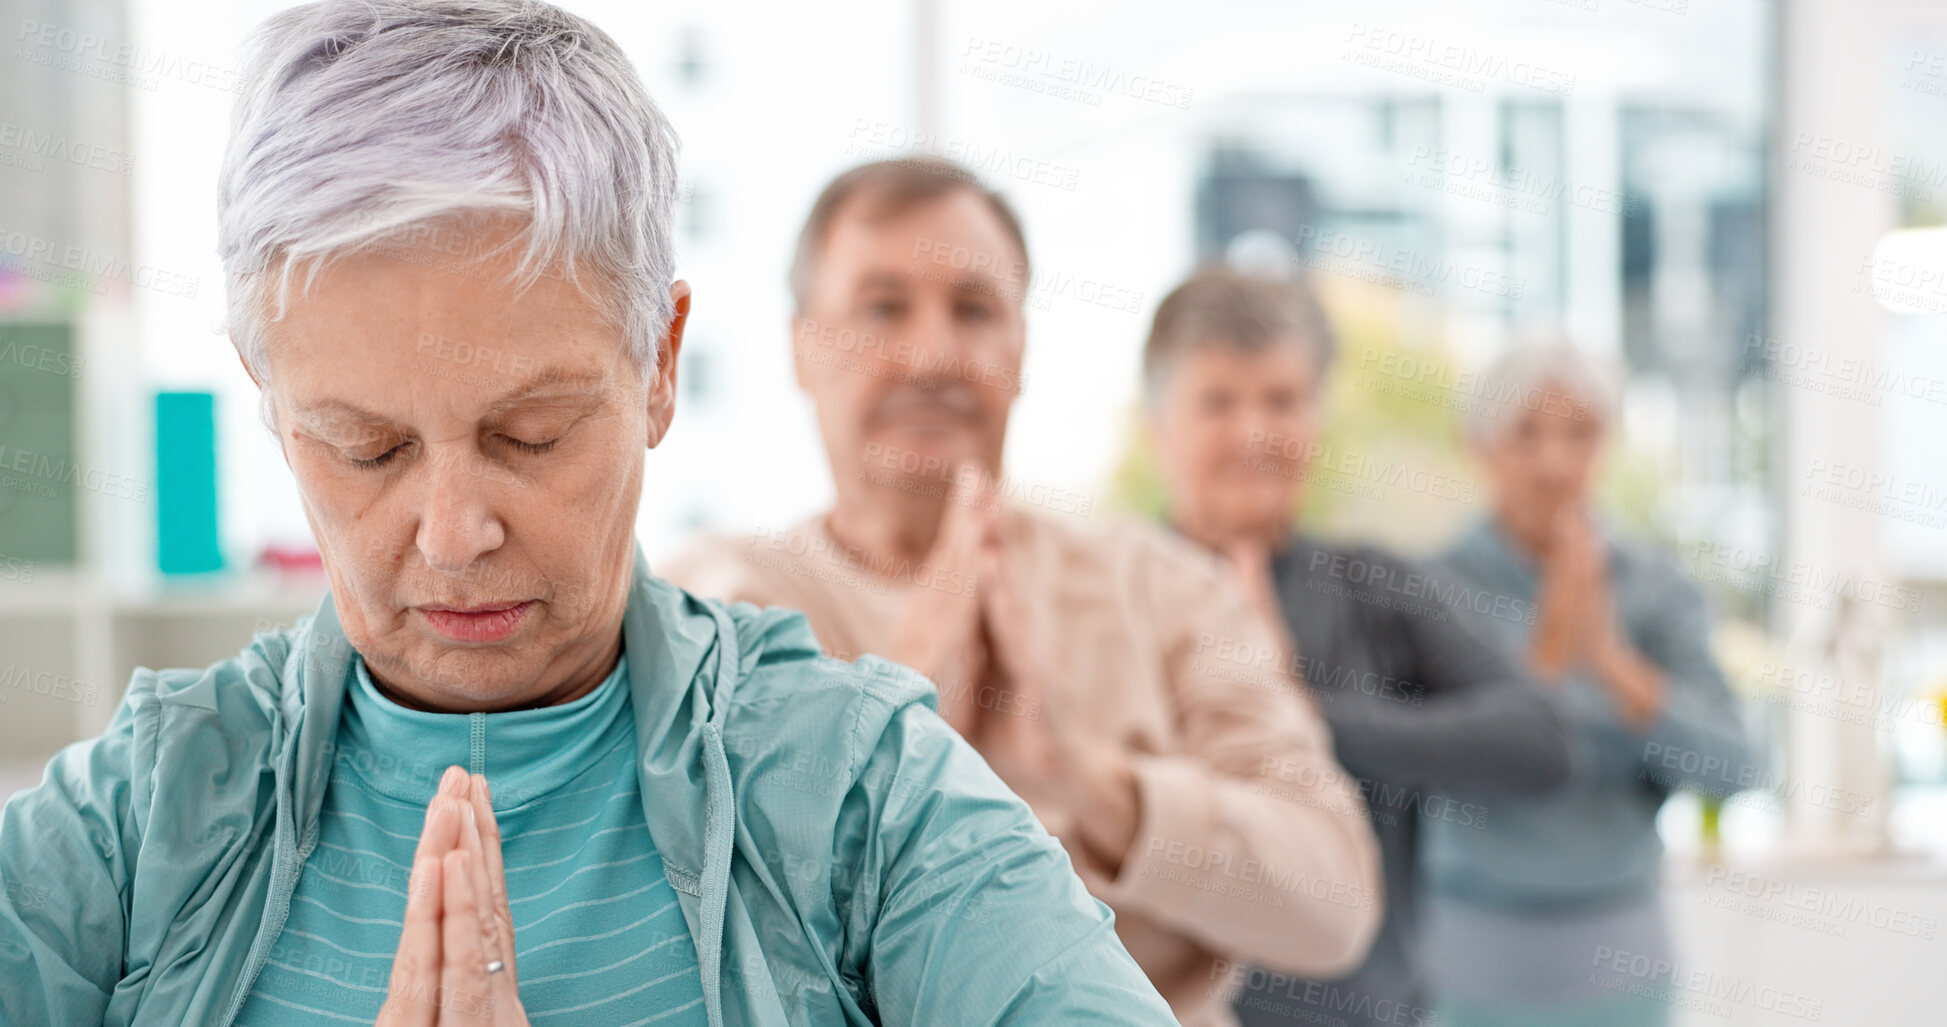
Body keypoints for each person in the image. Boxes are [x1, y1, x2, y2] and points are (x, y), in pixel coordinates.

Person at [0, 4, 1182, 1025]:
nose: (454, 532)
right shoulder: (138, 821)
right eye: (369, 447)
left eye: (533, 434)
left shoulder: (863, 798)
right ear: (269, 401)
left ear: (658, 365)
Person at [658, 158, 1385, 1027]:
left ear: (1022, 347)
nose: (932, 355)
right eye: (883, 307)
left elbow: (1334, 897)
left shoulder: (1161, 586)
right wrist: (896, 722)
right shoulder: (712, 604)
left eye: (973, 310)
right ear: (802, 346)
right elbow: (694, 932)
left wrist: (1098, 789)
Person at [1139, 265, 1574, 1027]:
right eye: (1217, 401)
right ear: (1158, 427)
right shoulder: (1110, 596)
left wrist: (1297, 710)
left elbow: (1537, 742)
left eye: (1281, 400)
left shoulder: (1378, 590)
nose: (1253, 432)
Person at [1417, 344, 1759, 1027]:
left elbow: (1735, 766)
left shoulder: (1657, 589)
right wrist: (1544, 660)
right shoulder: (1431, 590)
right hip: (1466, 962)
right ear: (1478, 445)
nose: (1554, 463)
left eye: (1579, 434)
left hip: (1621, 960)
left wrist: (1611, 662)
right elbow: (1431, 769)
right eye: (1526, 434)